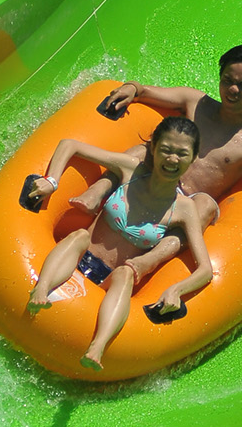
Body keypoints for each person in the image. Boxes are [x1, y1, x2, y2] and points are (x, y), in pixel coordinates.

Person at [25, 115, 212, 371]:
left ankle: (97, 347)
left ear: (193, 158)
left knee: (126, 273)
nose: (172, 159)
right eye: (166, 150)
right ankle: (41, 289)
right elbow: (70, 144)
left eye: (182, 153)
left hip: (109, 281)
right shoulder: (130, 170)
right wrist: (52, 181)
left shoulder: (184, 209)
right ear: (154, 148)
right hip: (79, 254)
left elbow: (205, 270)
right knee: (79, 235)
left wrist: (177, 290)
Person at [80, 46, 242, 262]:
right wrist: (132, 88)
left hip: (184, 205)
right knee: (143, 150)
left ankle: (147, 263)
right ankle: (96, 192)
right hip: (155, 178)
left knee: (206, 204)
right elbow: (144, 92)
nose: (232, 90)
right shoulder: (195, 102)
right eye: (227, 80)